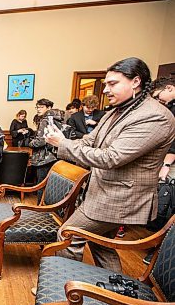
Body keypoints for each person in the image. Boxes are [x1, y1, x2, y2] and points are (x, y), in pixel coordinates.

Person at [45, 57, 175, 273]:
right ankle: (114, 290)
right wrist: (62, 141)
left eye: (112, 83)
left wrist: (64, 144)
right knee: (100, 243)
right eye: (106, 84)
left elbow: (111, 158)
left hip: (120, 198)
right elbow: (89, 141)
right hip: (103, 192)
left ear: (136, 81)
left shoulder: (155, 116)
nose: (105, 89)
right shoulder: (117, 110)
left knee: (68, 234)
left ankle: (63, 289)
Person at [143, 75, 175, 265]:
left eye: (159, 96)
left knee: (167, 204)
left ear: (169, 88)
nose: (159, 101)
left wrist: (166, 165)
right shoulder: (169, 107)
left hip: (169, 164)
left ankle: (162, 252)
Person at [29, 98, 64, 203]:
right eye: (37, 107)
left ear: (49, 108)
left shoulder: (45, 120)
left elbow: (41, 141)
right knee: (53, 185)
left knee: (41, 184)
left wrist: (30, 143)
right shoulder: (59, 118)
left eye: (41, 107)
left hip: (44, 158)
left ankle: (40, 208)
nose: (38, 109)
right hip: (56, 155)